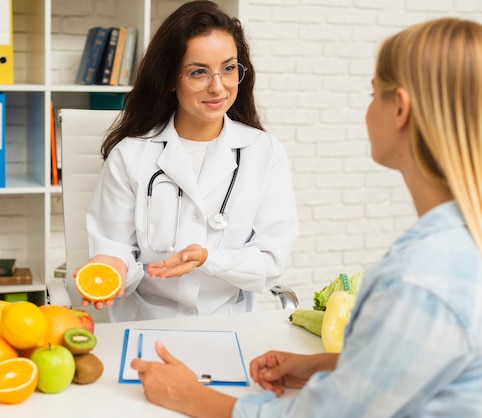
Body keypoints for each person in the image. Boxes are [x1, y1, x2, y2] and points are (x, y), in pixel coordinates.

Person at [130, 17, 482, 417]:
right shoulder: (456, 245)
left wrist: (190, 397)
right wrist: (325, 365)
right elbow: (423, 365)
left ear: (399, 108)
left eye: (373, 93)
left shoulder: (419, 279)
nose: (218, 84)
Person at [76, 0, 299, 322]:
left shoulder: (264, 152)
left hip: (230, 322)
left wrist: (209, 259)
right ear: (170, 78)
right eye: (198, 72)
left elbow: (270, 261)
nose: (218, 86)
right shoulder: (131, 154)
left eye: (229, 68)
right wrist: (113, 265)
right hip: (146, 323)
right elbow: (114, 246)